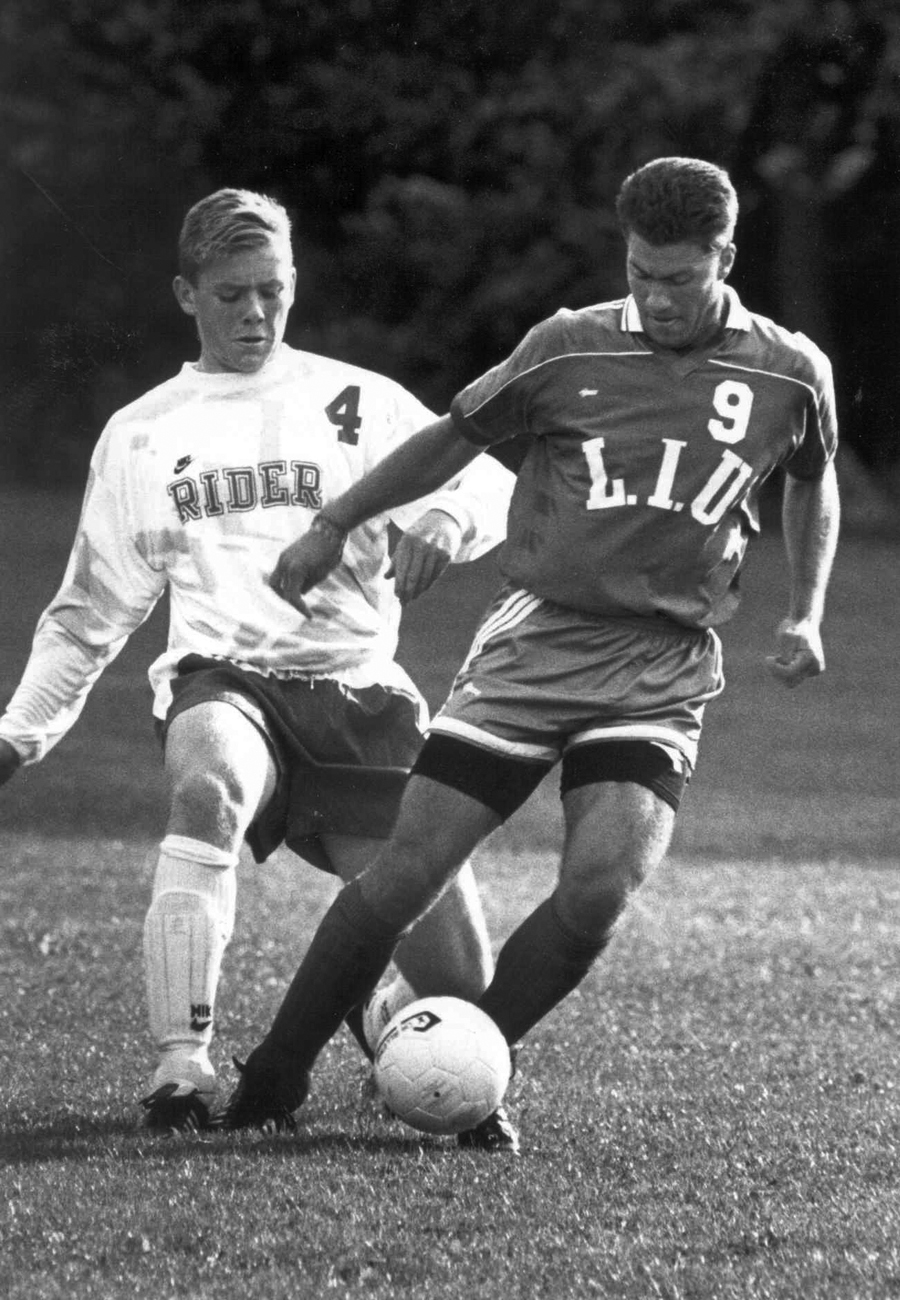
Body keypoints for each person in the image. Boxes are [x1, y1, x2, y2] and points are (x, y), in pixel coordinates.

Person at [218, 156, 840, 1154]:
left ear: (725, 256)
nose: (658, 295)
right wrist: (336, 520)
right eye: (642, 272)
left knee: (603, 883)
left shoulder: (788, 370)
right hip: (536, 644)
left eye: (680, 277)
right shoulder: (566, 347)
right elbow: (452, 439)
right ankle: (271, 1076)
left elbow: (813, 479)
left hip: (664, 663)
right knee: (409, 869)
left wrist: (806, 609)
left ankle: (463, 1063)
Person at [0, 188, 516, 1137]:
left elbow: (488, 480)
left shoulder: (355, 401)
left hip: (361, 691)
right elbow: (90, 612)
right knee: (208, 787)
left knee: (464, 980)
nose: (255, 314)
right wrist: (21, 733)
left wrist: (445, 517)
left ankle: (382, 1021)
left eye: (272, 291)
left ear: (294, 286)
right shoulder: (144, 433)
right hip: (225, 678)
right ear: (186, 295)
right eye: (231, 294)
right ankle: (182, 1069)